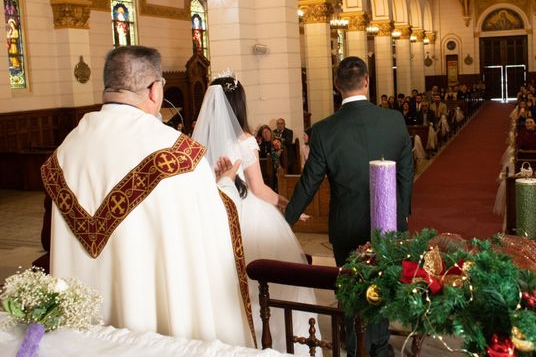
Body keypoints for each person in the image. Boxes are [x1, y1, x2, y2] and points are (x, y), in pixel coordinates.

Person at [40, 46, 254, 346]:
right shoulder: (176, 154)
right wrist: (227, 185)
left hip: (81, 336)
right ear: (155, 90)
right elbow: (213, 222)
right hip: (155, 335)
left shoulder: (64, 152)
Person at [284, 56, 413, 357]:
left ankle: (355, 349)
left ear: (336, 85)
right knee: (381, 287)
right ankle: (379, 347)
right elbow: (407, 171)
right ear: (367, 81)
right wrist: (402, 212)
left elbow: (309, 181)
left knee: (353, 292)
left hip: (346, 225)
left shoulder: (324, 130)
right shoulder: (393, 120)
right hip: (389, 223)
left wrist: (287, 217)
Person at [192, 75, 318, 355]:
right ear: (239, 104)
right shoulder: (244, 140)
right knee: (270, 283)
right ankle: (278, 342)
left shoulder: (197, 142)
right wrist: (288, 203)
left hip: (216, 214)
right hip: (248, 214)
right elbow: (259, 189)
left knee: (226, 282)